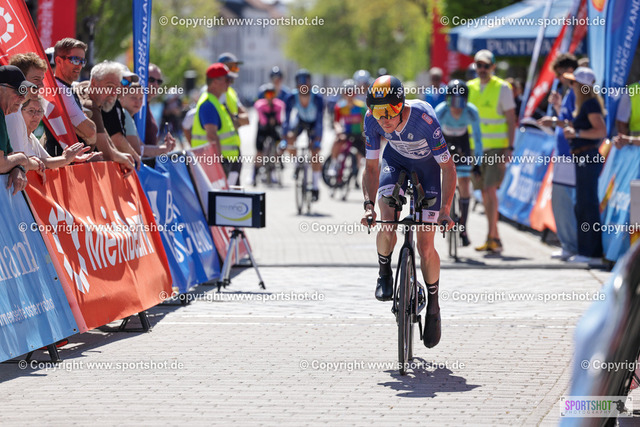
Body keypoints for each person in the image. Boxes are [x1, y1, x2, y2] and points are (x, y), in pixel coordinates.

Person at [360, 75, 456, 348]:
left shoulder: (424, 119)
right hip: (396, 162)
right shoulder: (371, 120)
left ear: (401, 105)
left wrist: (445, 210)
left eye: (390, 110)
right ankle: (384, 272)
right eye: (377, 111)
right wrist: (368, 205)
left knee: (426, 245)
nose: (384, 119)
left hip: (427, 169)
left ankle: (434, 305)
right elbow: (371, 168)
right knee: (387, 220)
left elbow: (448, 168)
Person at [467, 49, 516, 254]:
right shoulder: (469, 87)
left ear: (493, 67)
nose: (482, 69)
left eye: (486, 65)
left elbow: (511, 119)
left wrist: (510, 147)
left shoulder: (502, 88)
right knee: (483, 192)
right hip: (475, 149)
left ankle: (492, 235)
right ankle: (493, 236)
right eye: (479, 65)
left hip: (496, 147)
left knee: (489, 190)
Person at [561, 67, 606, 265]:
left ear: (581, 86)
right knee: (583, 204)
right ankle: (587, 251)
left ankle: (591, 253)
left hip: (588, 157)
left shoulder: (589, 104)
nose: (571, 86)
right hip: (584, 157)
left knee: (587, 204)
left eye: (574, 83)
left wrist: (577, 134)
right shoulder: (587, 104)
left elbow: (601, 131)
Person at [538, 53, 580, 261]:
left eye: (560, 74)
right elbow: (567, 118)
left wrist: (553, 120)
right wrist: (557, 107)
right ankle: (569, 245)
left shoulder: (577, 91)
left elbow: (576, 122)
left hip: (570, 155)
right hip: (564, 154)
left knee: (563, 202)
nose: (559, 79)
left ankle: (572, 246)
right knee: (562, 202)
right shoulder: (570, 92)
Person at [434, 79, 483, 247]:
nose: (456, 107)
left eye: (460, 102)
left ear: (466, 102)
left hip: (462, 143)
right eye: (452, 102)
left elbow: (478, 139)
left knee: (464, 181)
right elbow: (432, 136)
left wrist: (477, 163)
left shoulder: (471, 112)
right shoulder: (441, 111)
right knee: (440, 176)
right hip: (444, 141)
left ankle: (463, 227)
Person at [74, 61, 136, 176]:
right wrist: (126, 160)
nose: (114, 93)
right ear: (94, 83)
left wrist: (121, 156)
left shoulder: (85, 88)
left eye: (117, 88)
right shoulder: (90, 105)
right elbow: (106, 153)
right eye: (109, 87)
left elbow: (104, 136)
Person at [190, 63, 242, 185]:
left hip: (227, 163)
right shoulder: (208, 104)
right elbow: (212, 136)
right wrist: (219, 166)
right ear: (214, 82)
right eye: (227, 80)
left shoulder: (215, 102)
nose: (230, 83)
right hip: (220, 165)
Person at [47, 38, 96, 156]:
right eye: (75, 60)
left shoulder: (65, 87)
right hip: (60, 159)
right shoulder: (60, 89)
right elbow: (90, 131)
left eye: (82, 61)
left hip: (67, 158)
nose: (79, 66)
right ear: (58, 61)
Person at [0, 65, 43, 194]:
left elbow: (10, 157)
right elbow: (1, 164)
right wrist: (22, 159)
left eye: (24, 91)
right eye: (19, 91)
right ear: (1, 89)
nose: (23, 97)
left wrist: (18, 167)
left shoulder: (3, 115)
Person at [16, 97, 93, 168]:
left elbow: (48, 160)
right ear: (19, 112)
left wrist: (70, 158)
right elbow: (36, 162)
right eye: (31, 111)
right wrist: (65, 159)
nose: (36, 116)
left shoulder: (32, 137)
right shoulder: (18, 136)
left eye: (39, 111)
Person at [283, 69, 324, 201]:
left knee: (315, 153)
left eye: (305, 85)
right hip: (300, 122)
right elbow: (286, 119)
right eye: (300, 85)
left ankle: (315, 186)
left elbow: (320, 120)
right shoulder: (291, 97)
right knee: (290, 139)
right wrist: (284, 137)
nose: (303, 88)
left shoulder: (317, 98)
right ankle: (297, 164)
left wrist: (317, 139)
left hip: (314, 124)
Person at [119, 82, 175, 158]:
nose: (138, 102)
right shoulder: (124, 114)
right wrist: (164, 149)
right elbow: (138, 150)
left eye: (141, 98)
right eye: (133, 97)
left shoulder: (126, 116)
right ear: (122, 98)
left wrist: (164, 148)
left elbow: (140, 147)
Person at [329, 79, 366, 181]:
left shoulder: (362, 107)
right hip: (346, 133)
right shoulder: (339, 107)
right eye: (346, 92)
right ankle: (333, 164)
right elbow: (336, 121)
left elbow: (366, 122)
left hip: (359, 134)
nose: (349, 95)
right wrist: (338, 130)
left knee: (367, 153)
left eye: (351, 92)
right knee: (337, 141)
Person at [253, 83, 285, 185]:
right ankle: (254, 174)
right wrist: (268, 121)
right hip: (263, 128)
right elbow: (262, 120)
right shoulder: (259, 105)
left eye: (272, 94)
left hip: (273, 128)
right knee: (259, 151)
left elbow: (279, 119)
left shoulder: (279, 105)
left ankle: (278, 161)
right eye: (268, 94)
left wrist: (276, 122)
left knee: (279, 144)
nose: (270, 97)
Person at [217, 52, 250, 129]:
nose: (235, 70)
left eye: (236, 67)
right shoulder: (210, 91)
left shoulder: (232, 92)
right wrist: (235, 120)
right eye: (232, 67)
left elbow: (246, 119)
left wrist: (234, 118)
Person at [613, 78, 640, 148]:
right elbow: (621, 124)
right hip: (633, 149)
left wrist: (629, 140)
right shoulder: (630, 91)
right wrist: (622, 142)